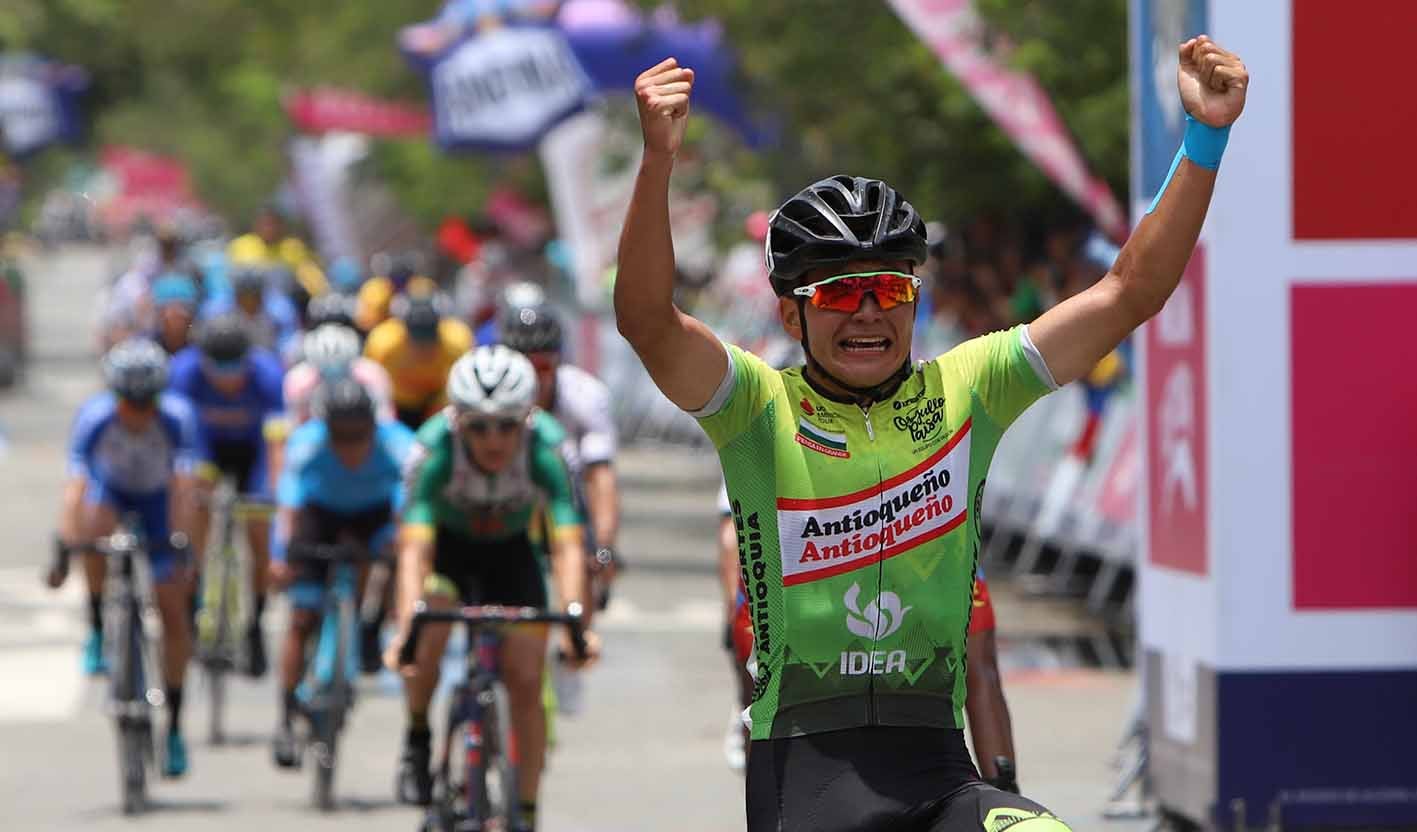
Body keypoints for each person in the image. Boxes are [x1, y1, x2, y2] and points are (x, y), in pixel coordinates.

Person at [616, 39, 1246, 831]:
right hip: (807, 774)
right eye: (841, 293)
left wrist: (1203, 141)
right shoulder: (755, 407)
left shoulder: (969, 388)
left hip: (938, 767)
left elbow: (1128, 292)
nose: (869, 312)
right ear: (791, 314)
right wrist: (656, 162)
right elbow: (646, 320)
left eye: (887, 288)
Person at [385, 345, 599, 831]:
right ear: (456, 420)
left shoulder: (550, 448)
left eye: (507, 424)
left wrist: (574, 625)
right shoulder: (432, 448)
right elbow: (413, 550)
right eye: (478, 425)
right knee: (426, 628)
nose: (494, 439)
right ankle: (418, 733)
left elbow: (567, 547)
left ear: (528, 418)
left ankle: (524, 809)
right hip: (448, 553)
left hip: (511, 555)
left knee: (526, 682)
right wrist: (406, 631)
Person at [47, 339, 206, 777]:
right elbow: (75, 487)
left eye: (147, 402)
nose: (137, 413)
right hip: (112, 493)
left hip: (158, 501)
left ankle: (173, 727)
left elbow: (185, 488)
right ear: (114, 395)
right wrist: (66, 542)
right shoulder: (95, 417)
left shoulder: (178, 418)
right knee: (94, 528)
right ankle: (98, 624)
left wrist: (183, 545)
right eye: (128, 403)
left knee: (173, 611)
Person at [268, 379, 416, 768]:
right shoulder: (307, 443)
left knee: (398, 555)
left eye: (359, 436)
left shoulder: (397, 443)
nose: (350, 447)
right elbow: (287, 505)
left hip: (374, 516)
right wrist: (280, 555)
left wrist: (404, 542)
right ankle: (285, 716)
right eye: (341, 436)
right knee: (301, 618)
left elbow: (410, 505)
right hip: (320, 516)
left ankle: (369, 626)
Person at [168, 314, 286, 677]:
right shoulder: (184, 372)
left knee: (259, 530)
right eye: (218, 368)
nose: (227, 378)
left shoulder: (267, 374)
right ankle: (196, 588)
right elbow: (182, 444)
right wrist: (189, 494)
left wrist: (274, 493)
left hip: (252, 453)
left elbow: (276, 444)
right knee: (194, 506)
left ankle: (255, 625)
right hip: (206, 450)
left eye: (234, 367)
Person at [499, 294, 623, 605]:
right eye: (523, 365)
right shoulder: (489, 396)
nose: (533, 377)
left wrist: (604, 547)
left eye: (542, 366)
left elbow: (600, 478)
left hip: (564, 496)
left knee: (582, 557)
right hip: (504, 495)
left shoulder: (585, 395)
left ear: (558, 361)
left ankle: (577, 644)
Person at [363, 292, 474, 430]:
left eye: (429, 336)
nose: (423, 346)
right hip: (397, 405)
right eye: (417, 338)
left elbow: (465, 385)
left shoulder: (458, 342)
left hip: (437, 403)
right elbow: (371, 384)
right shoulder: (382, 344)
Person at [227, 205, 328, 301]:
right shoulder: (242, 245)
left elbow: (310, 274)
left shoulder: (293, 248)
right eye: (265, 224)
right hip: (247, 300)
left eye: (273, 224)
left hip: (283, 298)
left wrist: (322, 294)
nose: (269, 228)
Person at [201, 265, 300, 359]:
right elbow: (204, 341)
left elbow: (288, 342)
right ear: (235, 293)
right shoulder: (217, 309)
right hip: (227, 361)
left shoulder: (279, 309)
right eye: (244, 296)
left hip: (270, 361)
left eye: (253, 296)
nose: (249, 301)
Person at [148, 272, 201, 356]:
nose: (176, 314)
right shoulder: (149, 348)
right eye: (169, 308)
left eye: (183, 307)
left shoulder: (201, 350)